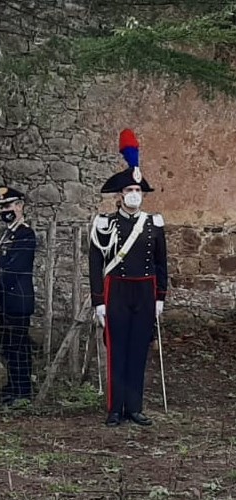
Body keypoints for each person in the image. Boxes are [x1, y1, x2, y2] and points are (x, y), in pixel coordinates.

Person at [89, 128, 168, 428]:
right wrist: (99, 301)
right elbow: (95, 262)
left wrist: (160, 296)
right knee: (117, 349)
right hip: (116, 290)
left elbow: (162, 263)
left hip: (145, 291)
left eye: (138, 192)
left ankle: (135, 407)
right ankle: (114, 408)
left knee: (138, 349)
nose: (135, 196)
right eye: (129, 192)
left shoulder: (154, 223)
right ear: (120, 196)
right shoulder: (104, 224)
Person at [0, 185, 37, 405]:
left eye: (8, 205)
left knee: (19, 346)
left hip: (17, 298)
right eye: (1, 207)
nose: (5, 210)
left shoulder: (25, 234)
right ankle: (13, 385)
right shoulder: (7, 234)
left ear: (20, 206)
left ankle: (22, 390)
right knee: (8, 346)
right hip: (4, 300)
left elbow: (14, 268)